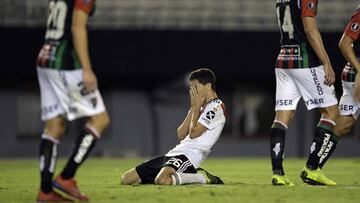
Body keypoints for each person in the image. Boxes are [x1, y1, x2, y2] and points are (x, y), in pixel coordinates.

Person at [36, 0, 110, 202]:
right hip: (65, 62)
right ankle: (67, 177)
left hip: (46, 57)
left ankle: (45, 192)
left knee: (54, 126)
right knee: (100, 119)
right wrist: (87, 69)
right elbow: (77, 28)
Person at [271, 0, 339, 186]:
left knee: (283, 116)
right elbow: (310, 30)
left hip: (284, 58)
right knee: (331, 112)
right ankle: (312, 168)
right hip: (305, 60)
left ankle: (278, 174)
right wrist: (327, 62)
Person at [121, 68, 226, 186]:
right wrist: (193, 108)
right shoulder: (199, 107)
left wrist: (196, 109)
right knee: (126, 179)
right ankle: (178, 174)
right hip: (174, 153)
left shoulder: (216, 108)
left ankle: (202, 177)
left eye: (195, 86)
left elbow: (194, 133)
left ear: (208, 86)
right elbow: (181, 134)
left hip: (189, 157)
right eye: (191, 87)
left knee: (162, 180)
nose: (192, 91)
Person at [318, 5, 360, 169]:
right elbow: (344, 43)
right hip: (354, 74)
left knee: (343, 125)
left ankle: (314, 164)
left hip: (351, 74)